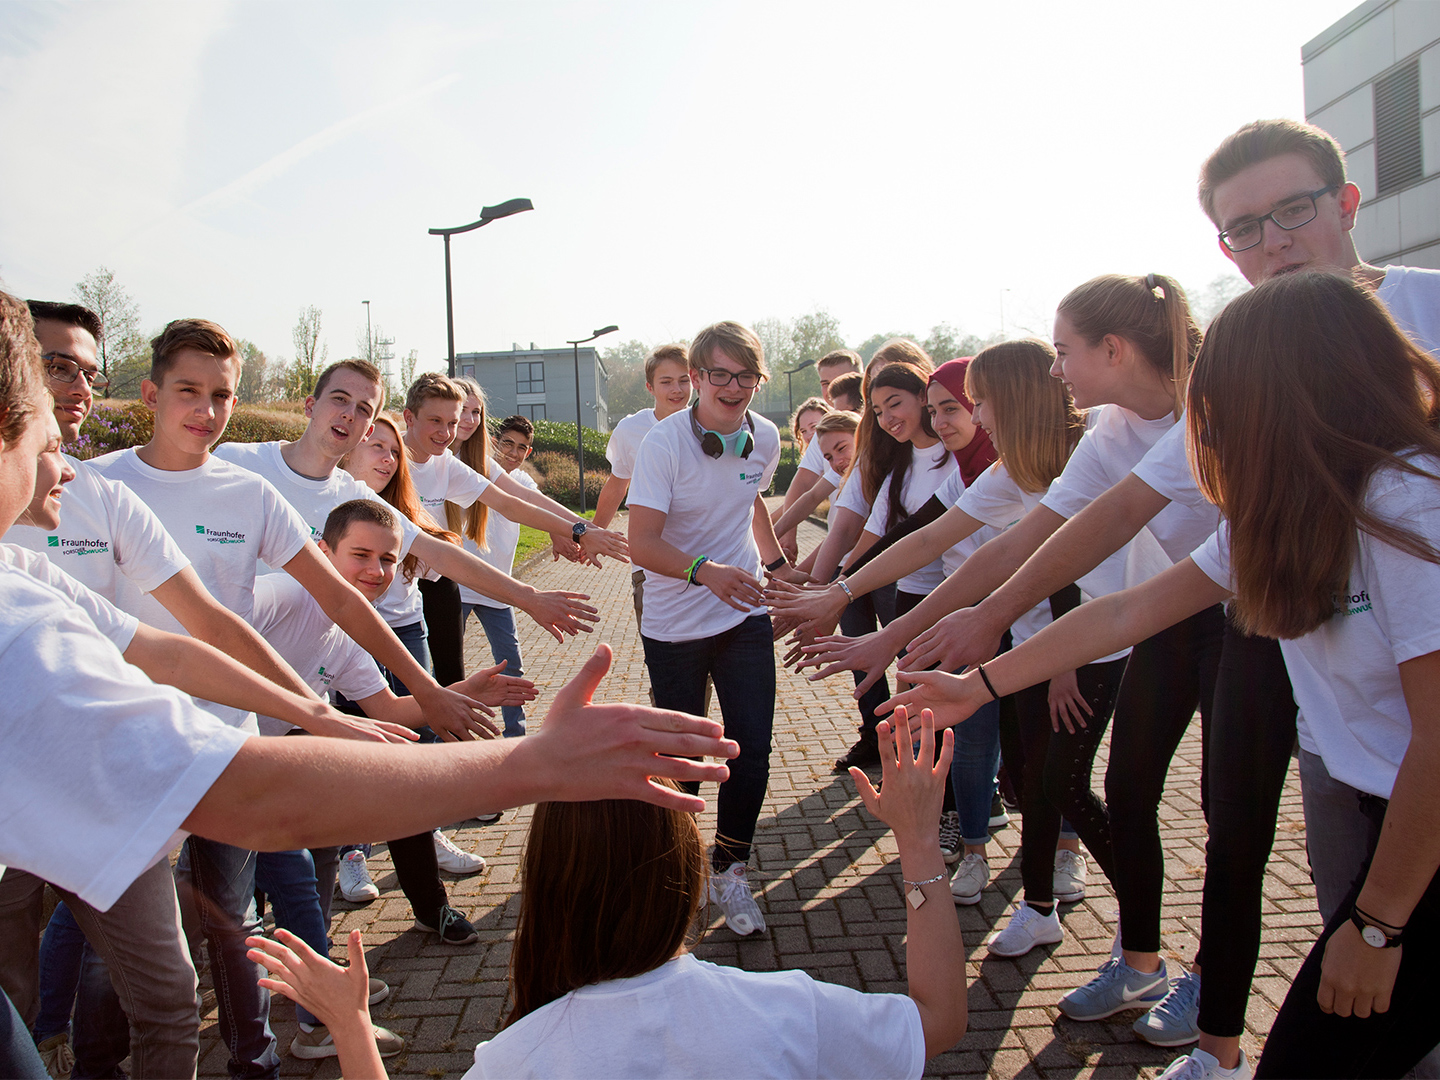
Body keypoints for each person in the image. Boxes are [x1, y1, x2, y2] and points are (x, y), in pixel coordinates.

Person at [0, 288, 738, 1079]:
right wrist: (540, 764)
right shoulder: (65, 553)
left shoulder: (75, 549)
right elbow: (251, 789)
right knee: (63, 969)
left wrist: (346, 710)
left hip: (203, 753)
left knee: (175, 981)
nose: (63, 462)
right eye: (49, 429)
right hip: (147, 763)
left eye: (223, 396)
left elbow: (192, 639)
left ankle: (255, 1048)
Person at [881, 119, 1440, 1080]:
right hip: (1372, 806)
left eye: (1224, 408)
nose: (1206, 439)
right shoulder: (1284, 509)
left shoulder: (1402, 507)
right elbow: (1129, 612)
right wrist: (978, 681)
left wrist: (1380, 925)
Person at [85, 318, 502, 1076]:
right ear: (150, 394)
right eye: (189, 391)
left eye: (222, 396)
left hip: (233, 743)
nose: (207, 412)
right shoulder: (100, 484)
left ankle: (255, 1055)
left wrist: (427, 691)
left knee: (237, 919)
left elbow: (339, 604)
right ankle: (87, 1058)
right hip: (125, 747)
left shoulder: (246, 494)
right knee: (98, 948)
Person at [246, 706, 968, 1079]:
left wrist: (347, 1025)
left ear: (545, 884)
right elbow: (939, 1020)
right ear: (685, 875)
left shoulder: (517, 1059)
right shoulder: (789, 1012)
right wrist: (917, 843)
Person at [626, 320, 790, 936]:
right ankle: (681, 863)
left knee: (750, 745)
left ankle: (731, 868)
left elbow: (749, 505)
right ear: (695, 379)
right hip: (674, 624)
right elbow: (641, 543)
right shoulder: (664, 445)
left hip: (744, 614)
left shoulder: (766, 437)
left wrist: (774, 566)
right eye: (719, 373)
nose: (733, 386)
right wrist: (704, 572)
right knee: (684, 755)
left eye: (745, 375)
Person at [399, 372, 628, 687]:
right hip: (394, 591)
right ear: (409, 418)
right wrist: (531, 596)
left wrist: (582, 530)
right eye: (436, 421)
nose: (448, 431)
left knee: (445, 688)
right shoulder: (388, 458)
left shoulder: (447, 464)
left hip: (433, 581)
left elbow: (514, 503)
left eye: (453, 422)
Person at [457, 414, 542, 738]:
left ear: (528, 453)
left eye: (522, 448)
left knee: (512, 665)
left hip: (499, 591)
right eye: (508, 443)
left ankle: (515, 734)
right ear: (494, 442)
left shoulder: (523, 483)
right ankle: (440, 735)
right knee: (447, 667)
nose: (513, 452)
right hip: (460, 586)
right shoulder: (470, 472)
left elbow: (540, 509)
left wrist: (568, 534)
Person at [773, 349, 863, 562]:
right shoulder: (827, 433)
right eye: (825, 383)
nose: (831, 390)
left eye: (841, 380)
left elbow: (849, 532)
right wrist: (783, 535)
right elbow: (807, 489)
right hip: (840, 557)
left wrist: (805, 580)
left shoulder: (872, 444)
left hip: (872, 563)